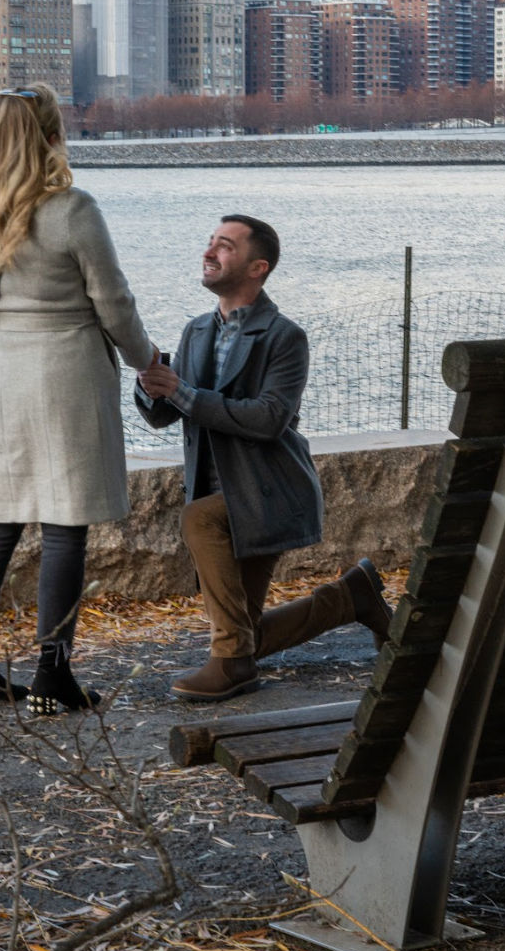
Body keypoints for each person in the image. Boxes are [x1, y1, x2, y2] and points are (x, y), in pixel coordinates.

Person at [0, 83, 158, 714]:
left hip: (0, 373)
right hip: (65, 370)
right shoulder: (72, 209)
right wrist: (147, 362)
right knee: (65, 525)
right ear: (49, 134)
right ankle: (51, 673)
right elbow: (113, 302)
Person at [135, 215, 393, 701]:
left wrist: (184, 393)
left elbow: (270, 418)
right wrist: (151, 382)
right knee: (244, 633)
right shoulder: (195, 332)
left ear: (258, 267)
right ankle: (351, 598)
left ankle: (231, 664)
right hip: (220, 490)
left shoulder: (283, 336)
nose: (210, 252)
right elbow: (164, 416)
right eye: (210, 242)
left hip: (267, 490)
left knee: (199, 521)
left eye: (225, 246)